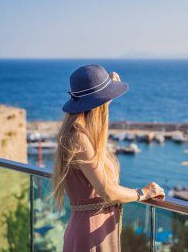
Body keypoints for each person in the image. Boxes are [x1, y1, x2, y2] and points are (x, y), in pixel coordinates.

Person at [50, 64, 165, 252]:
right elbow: (107, 191)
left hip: (95, 230)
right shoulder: (79, 137)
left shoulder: (79, 131)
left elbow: (97, 104)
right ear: (98, 104)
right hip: (90, 235)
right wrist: (144, 193)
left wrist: (108, 87)